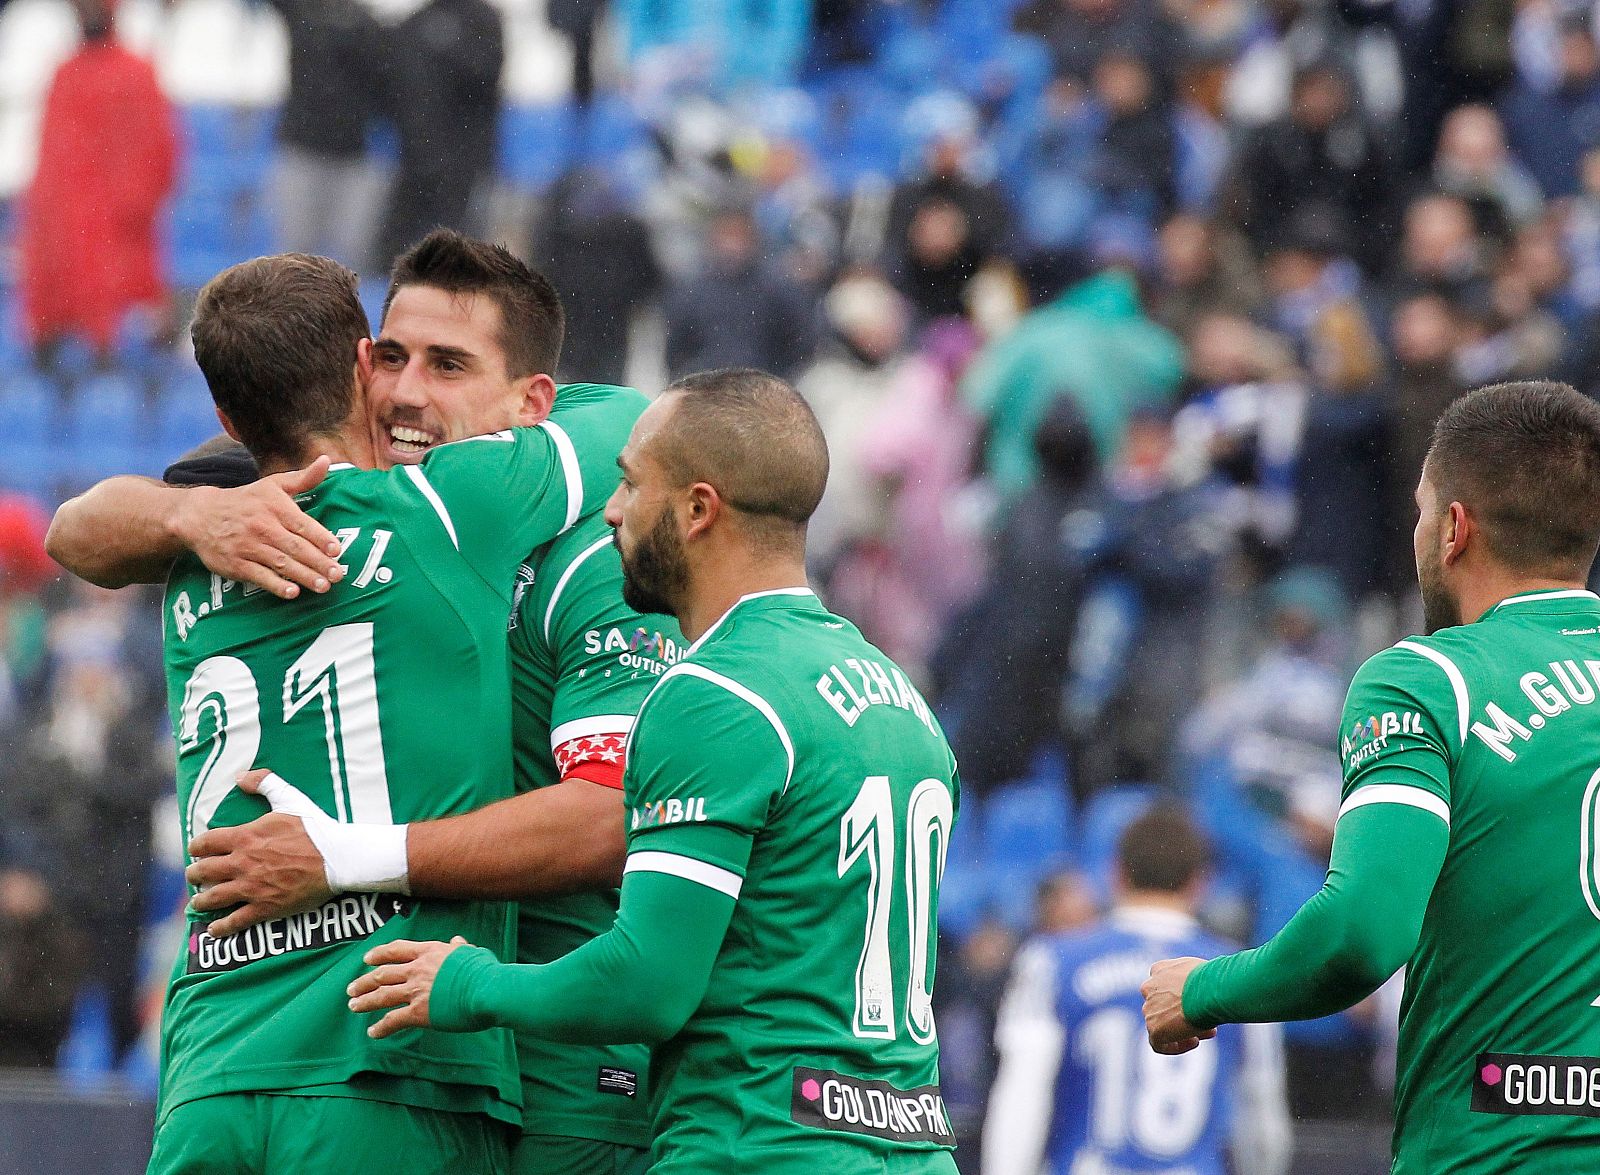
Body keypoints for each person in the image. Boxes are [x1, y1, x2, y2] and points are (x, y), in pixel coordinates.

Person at [48, 231, 673, 1175]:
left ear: (531, 401)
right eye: (392, 356)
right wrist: (186, 509)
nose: (409, 391)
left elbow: (605, 820)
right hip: (397, 1060)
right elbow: (646, 415)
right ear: (356, 367)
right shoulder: (441, 510)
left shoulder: (206, 550)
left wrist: (184, 517)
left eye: (449, 364)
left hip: (231, 1066)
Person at [347, 369, 963, 1174]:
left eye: (632, 484)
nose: (610, 510)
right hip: (909, 1148)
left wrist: (470, 983)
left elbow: (644, 985)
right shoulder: (902, 701)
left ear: (697, 509)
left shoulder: (715, 692)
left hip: (758, 1145)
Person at [1143, 381, 1600, 1173]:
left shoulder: (1430, 680)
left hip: (1497, 1146)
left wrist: (1203, 989)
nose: (1418, 531)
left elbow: (1362, 933)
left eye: (1423, 510)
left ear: (1455, 528)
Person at [985, 804, 1290, 1175]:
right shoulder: (1240, 973)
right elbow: (1262, 1121)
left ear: (1116, 874)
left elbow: (1021, 1097)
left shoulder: (1052, 960)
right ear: (1200, 882)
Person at [19, 0, 178, 367]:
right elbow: (48, 171)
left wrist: (127, 209)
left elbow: (160, 159)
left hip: (118, 238)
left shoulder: (137, 73)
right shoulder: (65, 74)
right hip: (70, 238)